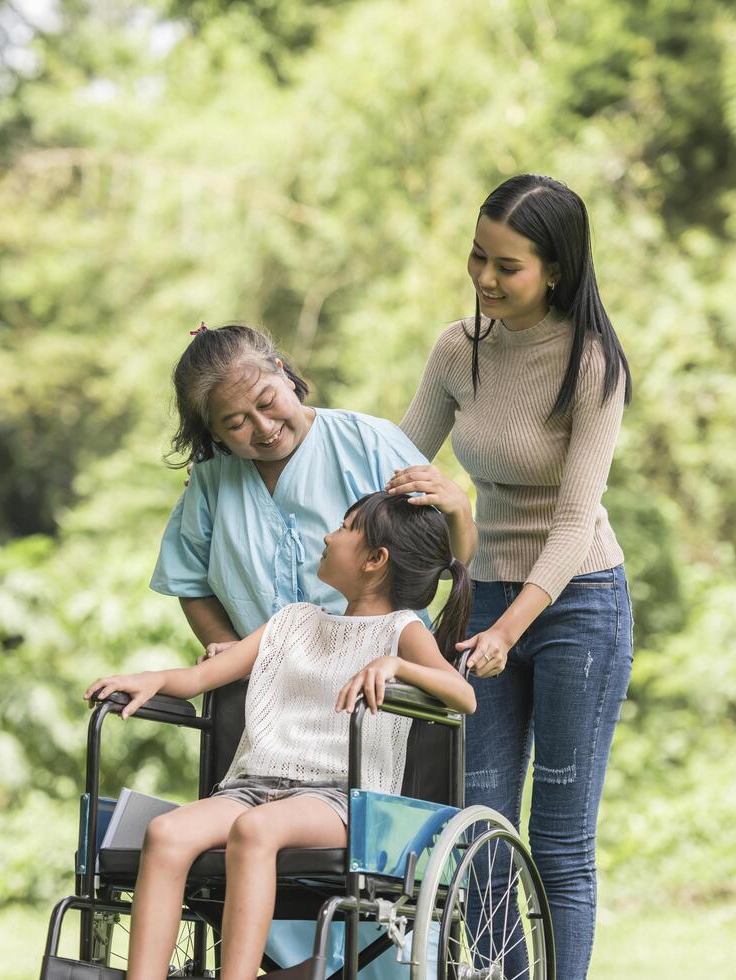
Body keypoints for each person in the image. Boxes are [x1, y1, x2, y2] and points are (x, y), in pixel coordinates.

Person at [150, 322, 474, 973]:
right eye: (234, 423)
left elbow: (435, 555)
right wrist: (229, 654)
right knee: (233, 834)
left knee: (281, 842)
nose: (262, 428)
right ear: (213, 434)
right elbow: (188, 578)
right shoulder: (214, 481)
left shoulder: (369, 441)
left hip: (366, 704)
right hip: (270, 699)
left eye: (268, 402)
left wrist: (460, 514)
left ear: (285, 372)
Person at [397, 173, 635, 979]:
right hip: (482, 602)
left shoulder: (592, 363)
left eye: (507, 266)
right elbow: (396, 465)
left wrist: (507, 628)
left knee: (559, 844)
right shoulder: (456, 349)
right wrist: (278, 408)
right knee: (480, 828)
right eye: (477, 257)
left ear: (556, 269)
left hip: (576, 606)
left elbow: (573, 522)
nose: (485, 279)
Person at [89, 492, 476, 979]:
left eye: (345, 527)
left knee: (256, 830)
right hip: (251, 787)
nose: (328, 535)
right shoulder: (292, 622)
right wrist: (151, 680)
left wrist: (398, 666)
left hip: (339, 799)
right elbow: (201, 679)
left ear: (376, 560)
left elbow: (464, 696)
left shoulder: (400, 631)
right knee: (165, 833)